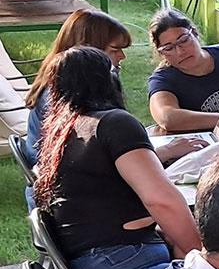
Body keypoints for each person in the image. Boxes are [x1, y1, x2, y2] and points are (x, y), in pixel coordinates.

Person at [33, 46, 201, 269]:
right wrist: (204, 257)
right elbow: (162, 200)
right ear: (106, 79)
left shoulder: (63, 132)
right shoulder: (114, 124)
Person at [21, 10, 204, 178]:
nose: (122, 56)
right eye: (115, 49)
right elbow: (92, 164)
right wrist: (166, 151)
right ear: (87, 49)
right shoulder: (66, 96)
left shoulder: (71, 84)